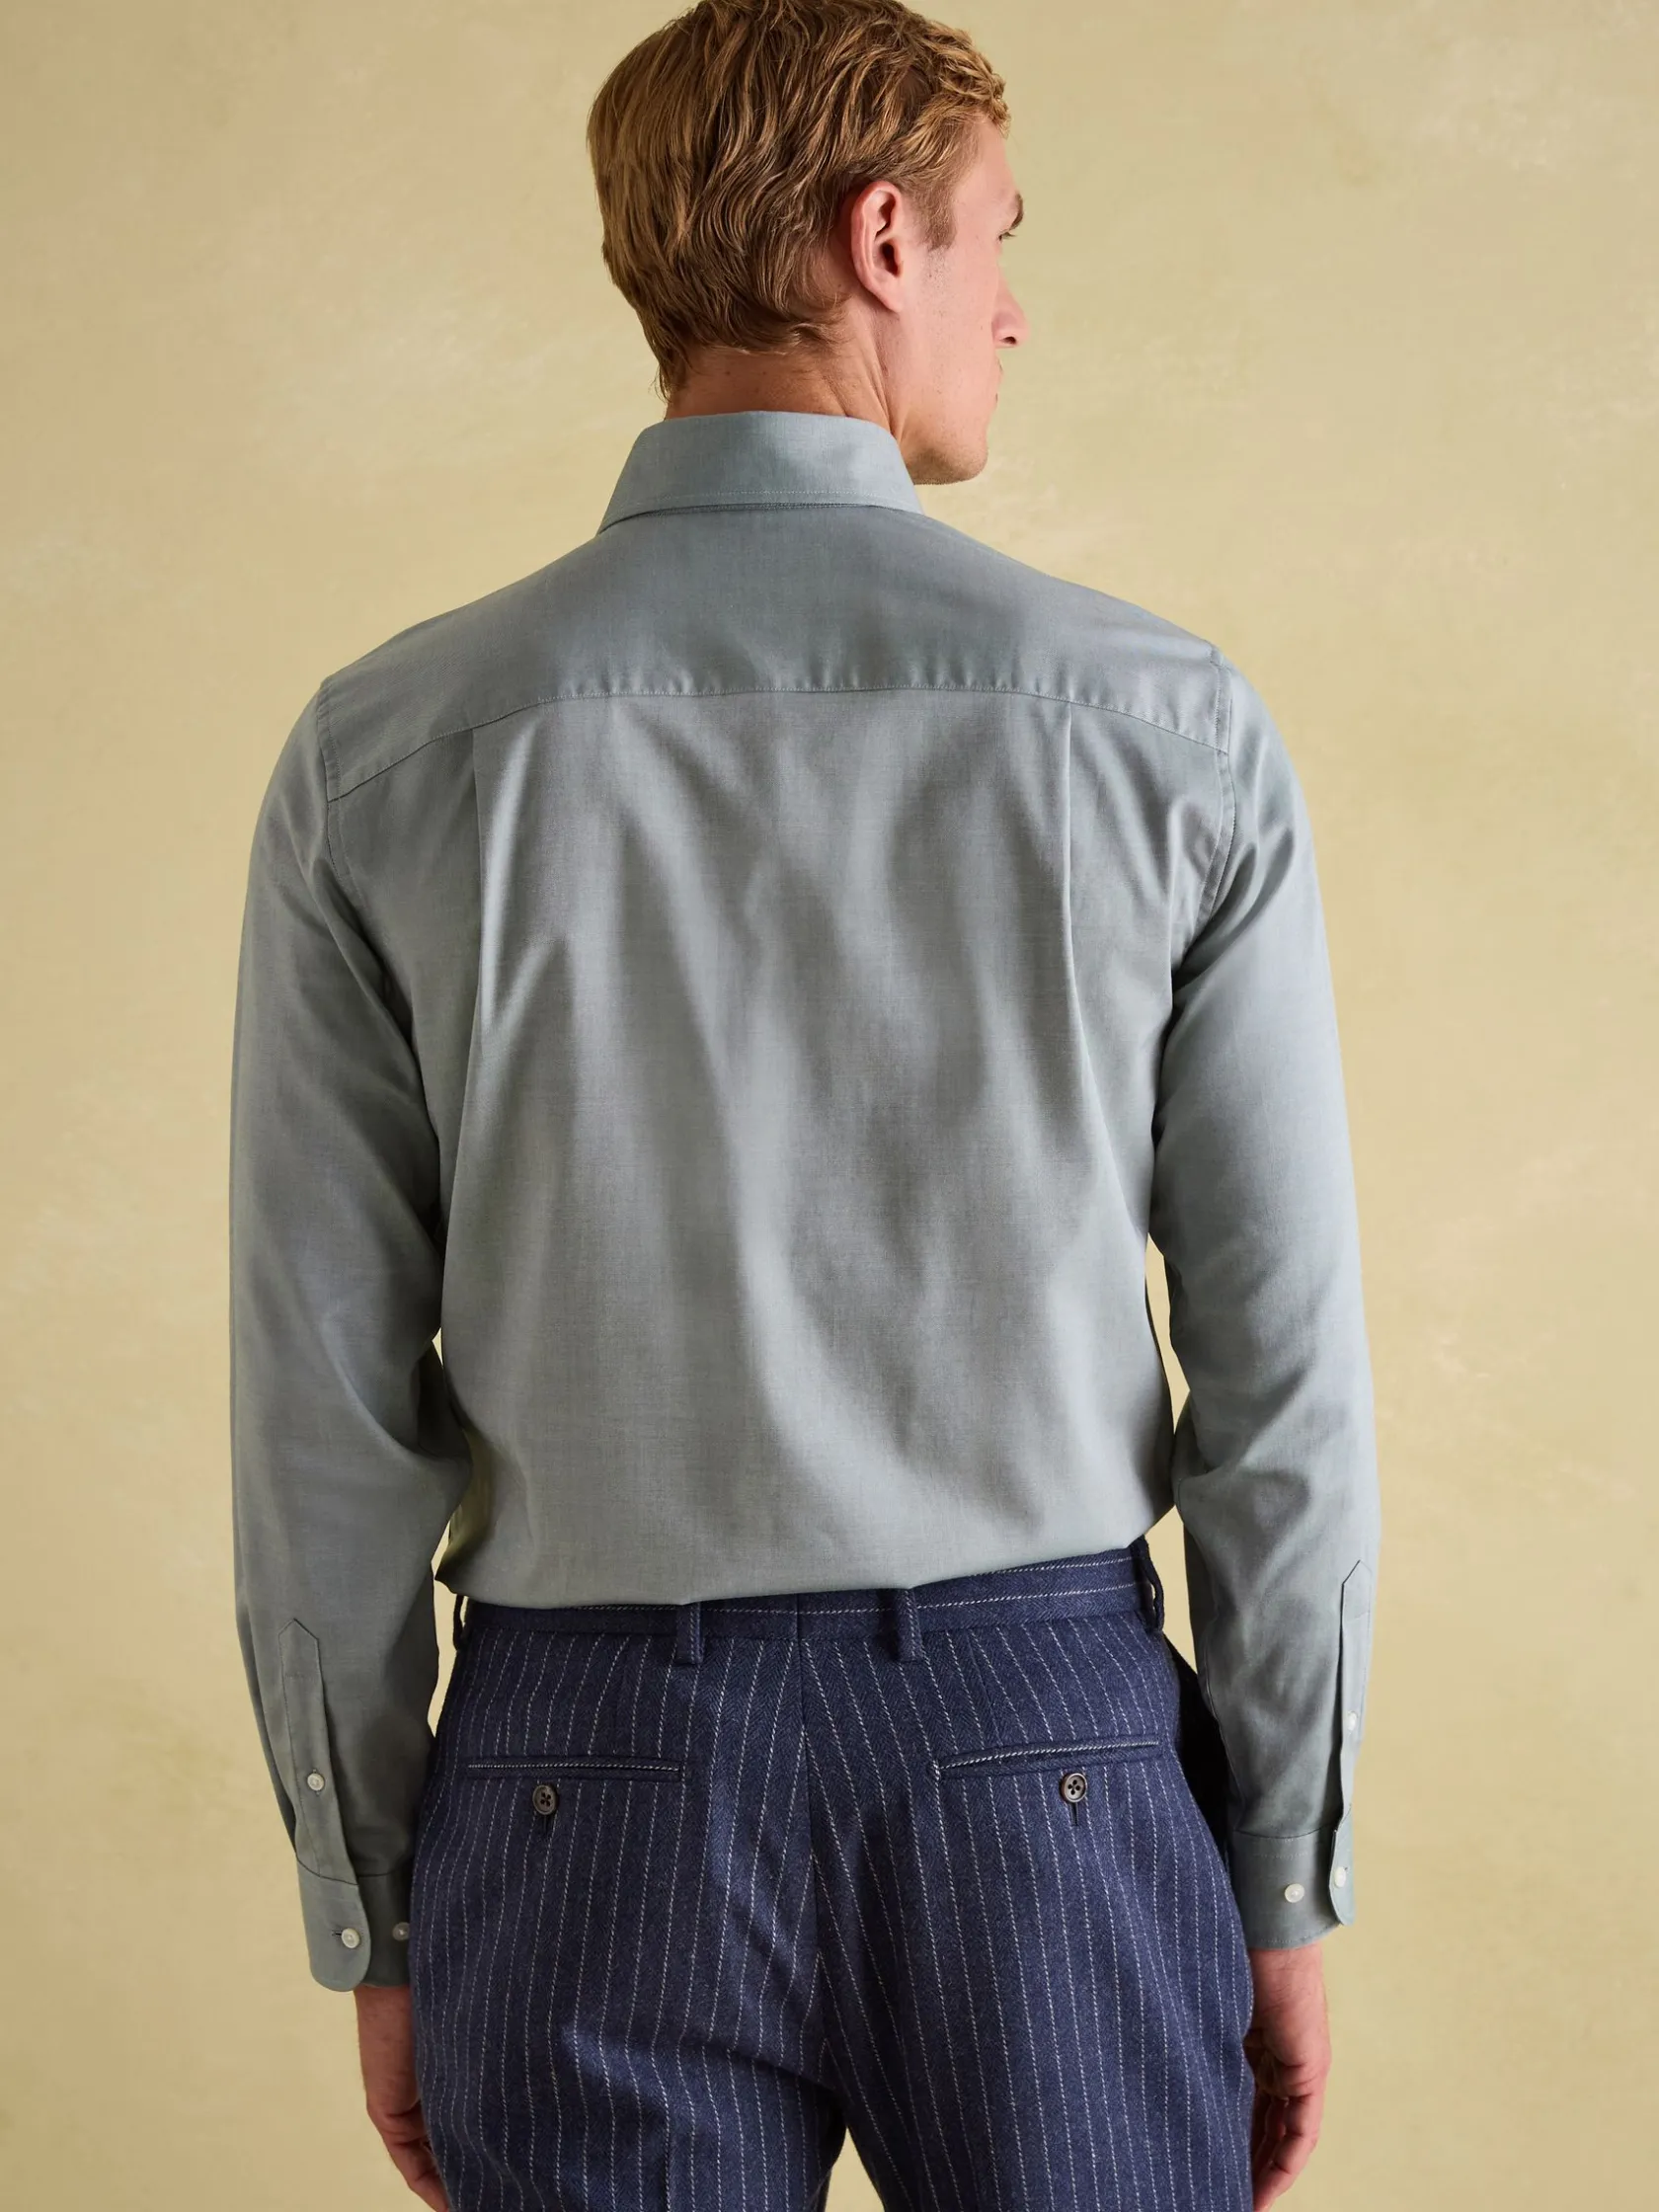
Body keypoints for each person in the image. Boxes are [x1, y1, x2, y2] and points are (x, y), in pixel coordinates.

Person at [228, 3, 1380, 2206]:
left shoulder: (385, 758)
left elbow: (324, 1416)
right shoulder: (1168, 732)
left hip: (577, 1782)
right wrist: (1282, 1867)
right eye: (996, 239)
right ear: (881, 239)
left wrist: (373, 1903)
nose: (1013, 306)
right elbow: (1282, 1377)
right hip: (1044, 1759)